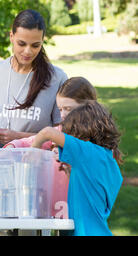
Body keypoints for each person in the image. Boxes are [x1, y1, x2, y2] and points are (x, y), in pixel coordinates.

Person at [4, 76, 98, 219]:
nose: (63, 115)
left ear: (87, 107)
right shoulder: (62, 129)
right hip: (56, 208)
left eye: (68, 108)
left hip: (80, 208)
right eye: (60, 109)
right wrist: (13, 145)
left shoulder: (96, 139)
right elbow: (31, 140)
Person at [0, 9, 68, 145]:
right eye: (21, 44)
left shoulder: (57, 78)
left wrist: (19, 137)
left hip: (34, 161)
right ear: (11, 36)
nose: (28, 51)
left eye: (36, 45)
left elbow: (62, 133)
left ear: (42, 41)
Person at [31, 101, 123, 236]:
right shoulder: (110, 163)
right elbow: (90, 191)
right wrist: (70, 171)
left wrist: (33, 152)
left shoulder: (86, 152)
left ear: (79, 133)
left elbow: (47, 132)